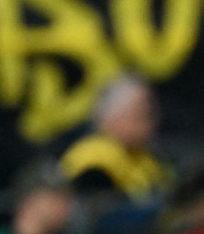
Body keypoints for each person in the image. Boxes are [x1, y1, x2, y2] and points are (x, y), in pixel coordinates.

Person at [59, 73, 170, 204]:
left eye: (151, 115)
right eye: (140, 115)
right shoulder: (92, 157)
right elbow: (95, 213)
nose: (149, 123)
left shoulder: (147, 159)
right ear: (112, 117)